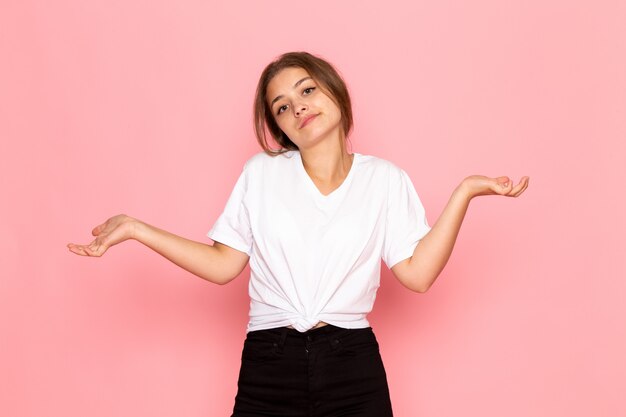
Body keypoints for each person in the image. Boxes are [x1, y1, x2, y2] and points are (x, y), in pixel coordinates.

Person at [68, 51, 529, 416]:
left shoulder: (385, 179)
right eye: (282, 106)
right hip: (269, 361)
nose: (298, 106)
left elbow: (417, 275)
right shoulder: (261, 174)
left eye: (306, 89)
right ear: (280, 127)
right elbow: (223, 264)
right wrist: (135, 228)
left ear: (335, 92)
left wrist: (465, 192)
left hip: (352, 361)